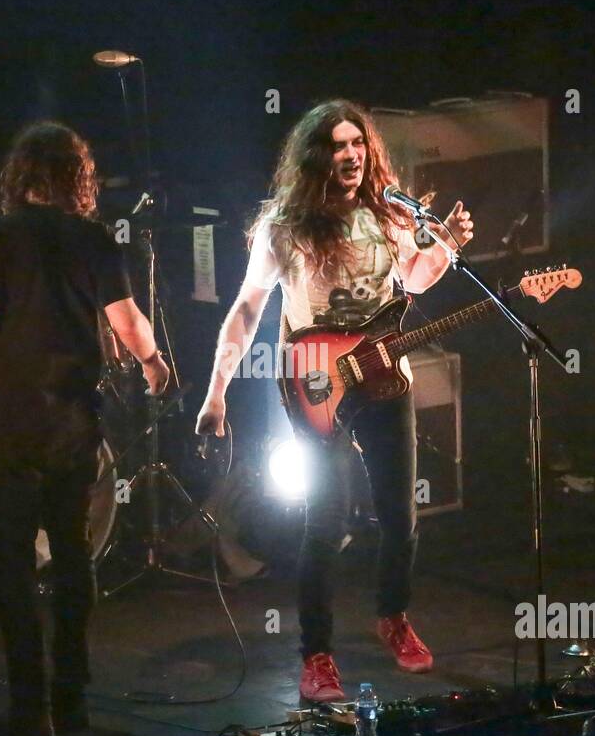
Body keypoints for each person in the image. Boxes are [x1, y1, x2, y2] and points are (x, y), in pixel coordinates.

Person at [195, 100, 474, 702]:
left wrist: (445, 245)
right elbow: (248, 306)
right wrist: (217, 390)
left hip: (385, 377)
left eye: (359, 145)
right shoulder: (285, 226)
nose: (352, 155)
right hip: (315, 382)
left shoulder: (390, 213)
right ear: (316, 156)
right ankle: (316, 655)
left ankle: (393, 616)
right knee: (327, 521)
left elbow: (413, 282)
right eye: (339, 146)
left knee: (400, 515)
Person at [0, 122, 168, 736]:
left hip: (12, 427)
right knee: (75, 560)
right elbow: (130, 325)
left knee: (12, 567)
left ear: (18, 178)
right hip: (74, 422)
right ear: (77, 179)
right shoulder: (95, 240)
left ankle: (30, 706)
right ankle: (72, 697)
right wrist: (157, 365)